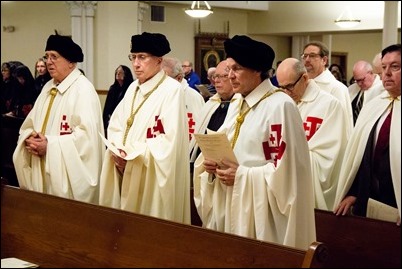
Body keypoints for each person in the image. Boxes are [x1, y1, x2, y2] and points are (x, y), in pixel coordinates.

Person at [193, 35, 316, 249]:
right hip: (230, 203)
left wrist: (242, 175)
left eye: (237, 69)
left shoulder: (280, 106)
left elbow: (287, 173)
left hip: (262, 216)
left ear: (257, 70)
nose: (230, 76)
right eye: (229, 69)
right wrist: (211, 164)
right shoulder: (237, 102)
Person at [99, 32, 191, 224]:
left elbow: (168, 143)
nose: (136, 64)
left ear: (158, 60)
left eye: (142, 57)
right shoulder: (133, 88)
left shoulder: (171, 91)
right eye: (133, 57)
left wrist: (133, 160)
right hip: (123, 169)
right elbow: (116, 124)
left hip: (150, 181)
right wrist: (119, 150)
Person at [12, 34, 105, 204]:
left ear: (71, 62)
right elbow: (29, 124)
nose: (48, 61)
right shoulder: (48, 87)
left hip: (65, 181)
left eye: (54, 57)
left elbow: (88, 141)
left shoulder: (83, 90)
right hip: (42, 171)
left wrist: (50, 145)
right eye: (46, 56)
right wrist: (29, 137)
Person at [334, 44, 401, 226]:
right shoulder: (374, 106)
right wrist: (354, 192)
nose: (386, 73)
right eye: (384, 67)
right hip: (369, 200)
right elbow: (360, 155)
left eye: (395, 67)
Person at [276, 58, 349, 210]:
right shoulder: (281, 103)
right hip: (282, 186)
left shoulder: (330, 105)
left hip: (309, 189)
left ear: (304, 78)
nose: (285, 93)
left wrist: (287, 158)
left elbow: (331, 158)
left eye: (289, 87)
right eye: (281, 87)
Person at [189, 60, 236, 226]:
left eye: (222, 76)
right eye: (215, 76)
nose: (216, 80)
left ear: (233, 77)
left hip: (229, 175)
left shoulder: (240, 105)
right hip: (206, 170)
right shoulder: (211, 103)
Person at [302, 41, 353, 136]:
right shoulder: (301, 85)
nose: (307, 60)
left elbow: (344, 126)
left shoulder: (337, 88)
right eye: (305, 56)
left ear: (324, 60)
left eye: (312, 56)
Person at [161, 57, 205, 141]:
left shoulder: (194, 97)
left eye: (166, 79)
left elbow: (197, 129)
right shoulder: (159, 94)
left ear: (179, 78)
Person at [348, 60, 385, 125]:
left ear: (371, 73)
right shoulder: (352, 89)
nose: (359, 83)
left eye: (362, 80)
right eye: (357, 80)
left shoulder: (382, 89)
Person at [102, 65, 134, 137]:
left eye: (121, 72)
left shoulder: (131, 88)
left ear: (126, 74)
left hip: (124, 121)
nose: (118, 74)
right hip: (112, 120)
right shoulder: (113, 88)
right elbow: (107, 107)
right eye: (117, 72)